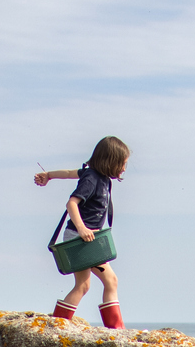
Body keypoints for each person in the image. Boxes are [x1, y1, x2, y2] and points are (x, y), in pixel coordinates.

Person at [34, 136, 130, 328]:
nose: (124, 169)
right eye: (122, 163)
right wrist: (82, 228)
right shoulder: (92, 179)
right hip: (81, 239)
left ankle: (59, 324)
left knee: (92, 284)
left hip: (88, 241)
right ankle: (114, 330)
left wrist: (50, 175)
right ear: (110, 161)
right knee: (100, 282)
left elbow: (70, 173)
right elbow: (71, 203)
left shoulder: (95, 176)